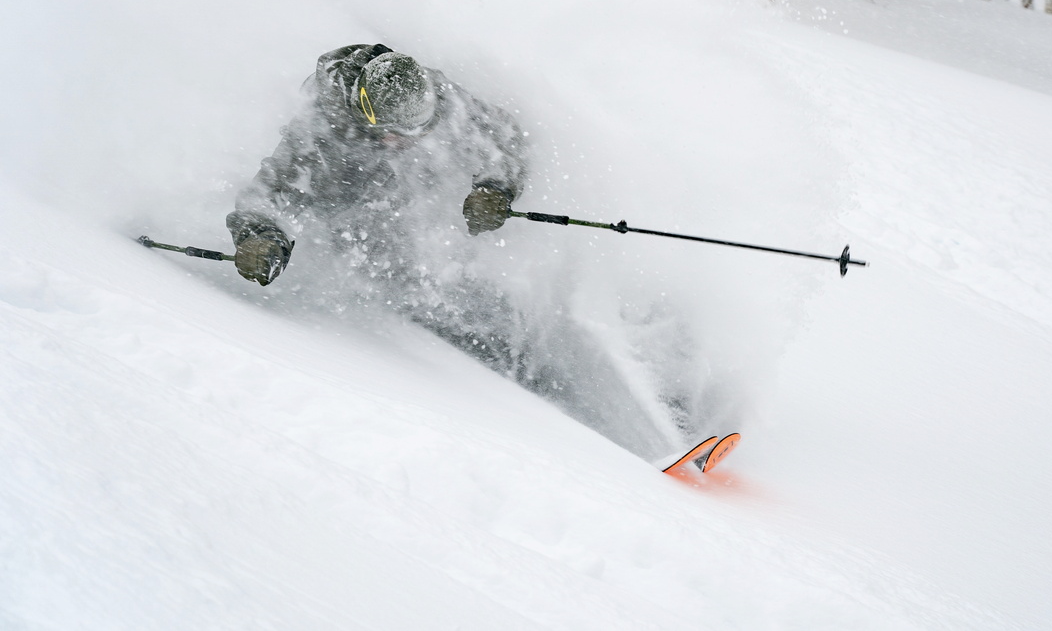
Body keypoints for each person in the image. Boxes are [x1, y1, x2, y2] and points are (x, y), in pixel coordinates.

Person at [228, 43, 706, 460]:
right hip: (361, 231)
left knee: (501, 306)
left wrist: (494, 189)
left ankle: (620, 397)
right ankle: (509, 382)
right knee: (433, 302)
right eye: (396, 133)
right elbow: (269, 195)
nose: (409, 140)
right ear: (364, 111)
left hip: (416, 212)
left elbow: (505, 139)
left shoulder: (434, 97)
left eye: (418, 129)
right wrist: (259, 240)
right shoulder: (320, 132)